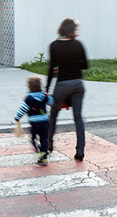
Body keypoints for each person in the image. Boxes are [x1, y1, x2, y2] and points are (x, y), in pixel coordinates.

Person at [46, 18, 88, 161]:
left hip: (62, 84)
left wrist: (47, 88)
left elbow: (52, 68)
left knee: (53, 116)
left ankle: (48, 144)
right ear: (72, 30)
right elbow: (85, 65)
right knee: (78, 118)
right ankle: (80, 151)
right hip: (78, 84)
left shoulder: (54, 45)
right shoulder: (78, 44)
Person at [14, 76, 54, 165]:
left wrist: (17, 117)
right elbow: (52, 103)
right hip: (45, 123)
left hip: (35, 124)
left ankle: (39, 151)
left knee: (33, 138)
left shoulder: (28, 99)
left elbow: (23, 109)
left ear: (29, 86)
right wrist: (49, 95)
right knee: (44, 138)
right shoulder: (44, 96)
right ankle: (44, 153)